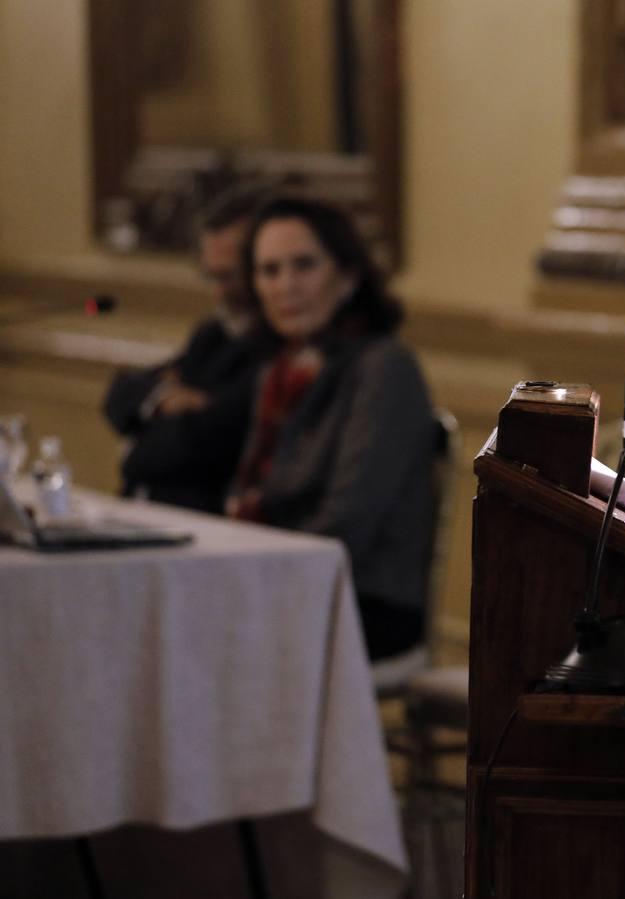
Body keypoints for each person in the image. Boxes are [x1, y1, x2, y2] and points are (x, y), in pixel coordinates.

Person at [227, 196, 436, 661]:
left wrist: (248, 574)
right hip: (283, 579)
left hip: (363, 598)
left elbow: (348, 522)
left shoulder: (385, 366)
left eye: (304, 265)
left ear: (346, 277)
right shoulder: (278, 370)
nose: (286, 286)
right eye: (270, 270)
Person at [102, 186, 269, 513]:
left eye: (230, 277)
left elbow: (195, 443)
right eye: (212, 277)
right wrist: (164, 399)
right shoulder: (212, 335)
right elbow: (119, 394)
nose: (219, 294)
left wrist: (148, 428)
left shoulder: (277, 352)